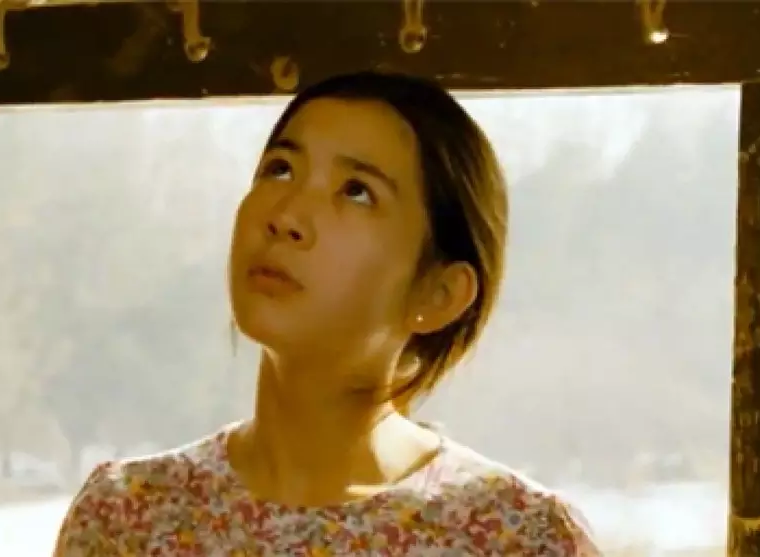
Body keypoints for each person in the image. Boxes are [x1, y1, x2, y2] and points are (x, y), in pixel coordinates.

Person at [52, 71, 601, 556]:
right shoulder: (127, 518)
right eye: (280, 169)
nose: (287, 215)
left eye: (356, 192)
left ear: (438, 294)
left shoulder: (515, 537)